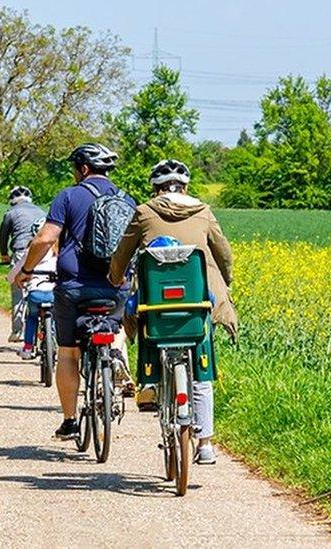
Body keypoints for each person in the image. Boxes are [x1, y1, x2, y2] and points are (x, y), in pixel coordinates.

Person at [108, 159, 238, 465]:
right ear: (186, 187)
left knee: (146, 321)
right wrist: (225, 281)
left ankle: (150, 385)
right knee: (202, 366)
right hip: (198, 302)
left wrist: (115, 278)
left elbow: (122, 254)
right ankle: (205, 443)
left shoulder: (143, 212)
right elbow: (224, 254)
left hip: (156, 305)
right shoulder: (203, 211)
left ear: (155, 188)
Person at [15, 143, 136, 440]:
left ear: (83, 169)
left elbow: (45, 239)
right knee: (115, 325)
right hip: (117, 286)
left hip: (75, 287)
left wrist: (27, 270)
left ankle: (70, 420)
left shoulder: (68, 196)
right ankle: (115, 356)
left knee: (68, 351)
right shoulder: (128, 199)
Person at [0, 186, 45, 342]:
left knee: (18, 289)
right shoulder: (41, 212)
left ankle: (17, 331)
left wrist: (4, 255)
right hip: (42, 252)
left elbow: (3, 235)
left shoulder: (11, 213)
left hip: (20, 252)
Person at [7, 218, 56, 360]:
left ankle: (28, 347)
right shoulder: (57, 251)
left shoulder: (30, 252)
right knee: (56, 317)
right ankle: (58, 343)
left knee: (32, 317)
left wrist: (11, 278)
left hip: (36, 294)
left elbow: (17, 270)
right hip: (53, 294)